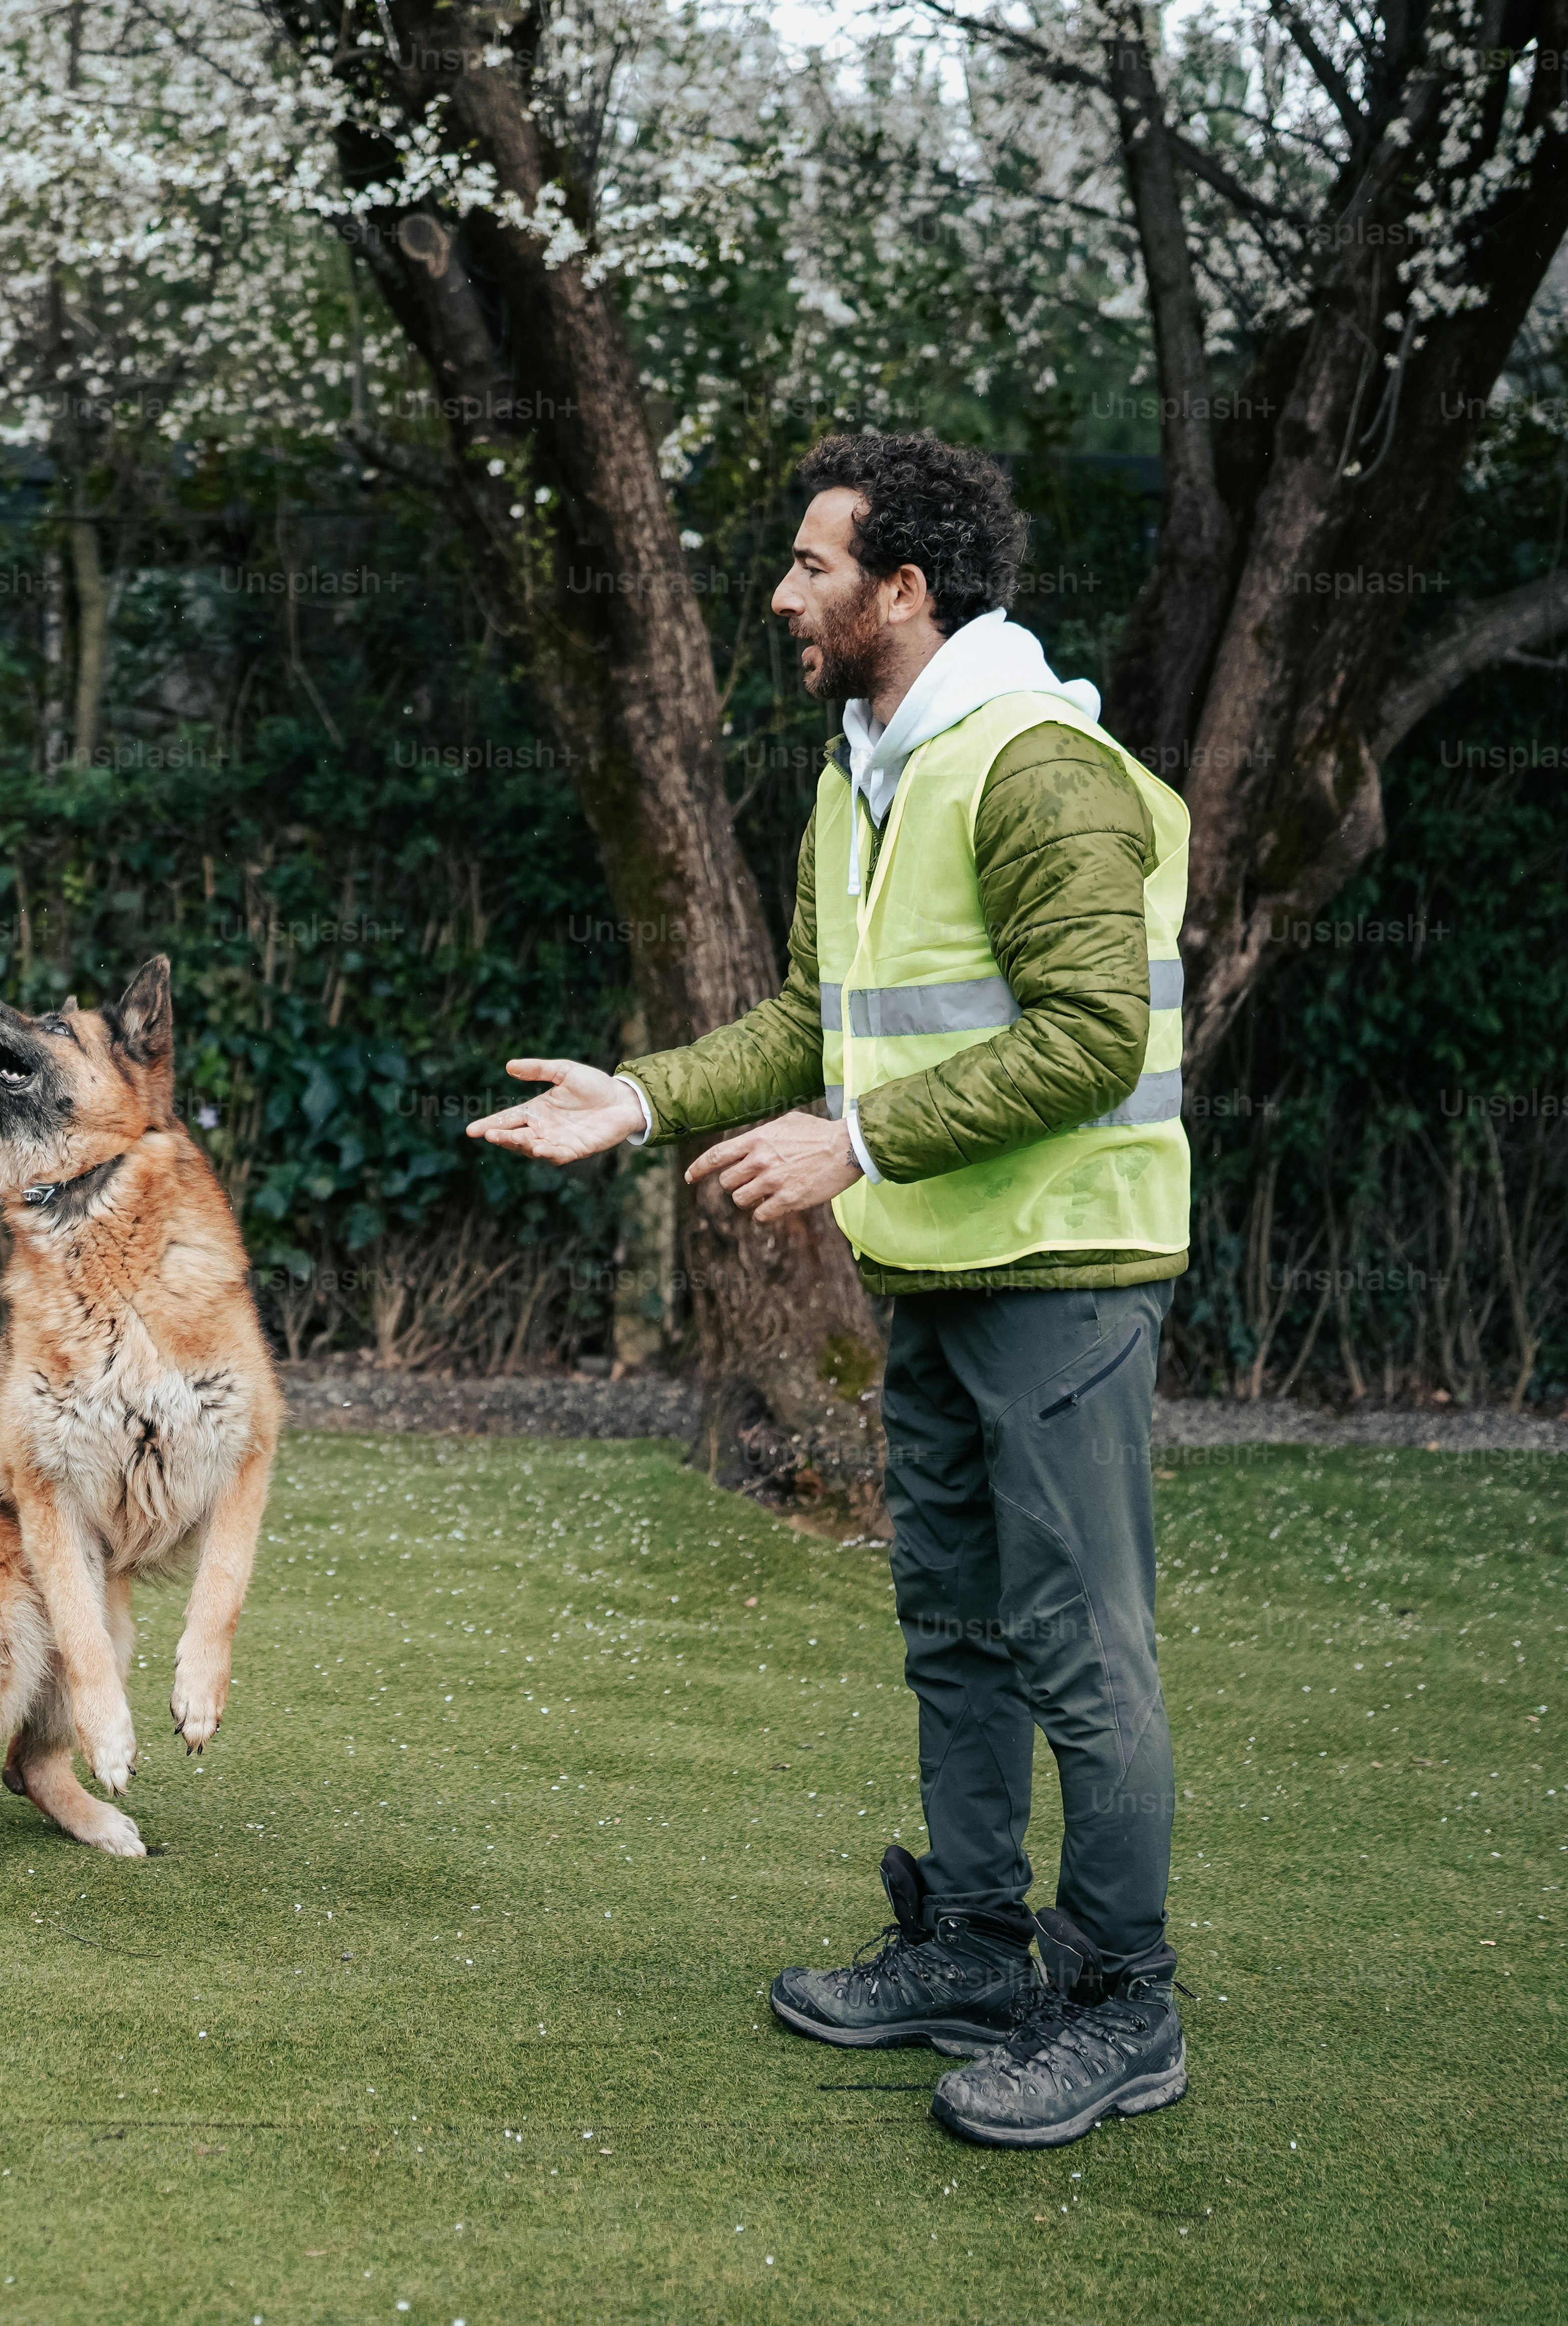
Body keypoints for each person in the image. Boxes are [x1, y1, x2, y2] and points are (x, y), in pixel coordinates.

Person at [468, 433, 1192, 2150]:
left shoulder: (1035, 766)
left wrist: (856, 1145)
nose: (783, 594)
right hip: (938, 1264)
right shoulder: (863, 762)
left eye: (811, 566)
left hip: (1069, 1269)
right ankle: (967, 1947)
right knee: (952, 1627)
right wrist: (640, 1097)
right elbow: (811, 1020)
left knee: (1082, 1654)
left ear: (905, 588)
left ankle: (1119, 2001)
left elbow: (1094, 1035)